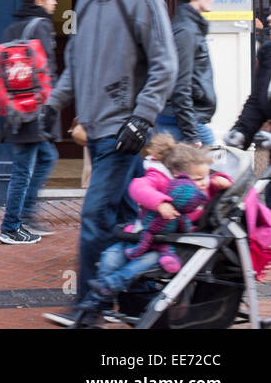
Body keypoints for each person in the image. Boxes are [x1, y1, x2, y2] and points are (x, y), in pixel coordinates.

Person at [40, 0, 177, 308]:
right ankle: (138, 298)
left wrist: (142, 117)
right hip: (96, 130)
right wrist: (51, 104)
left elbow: (165, 66)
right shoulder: (87, 0)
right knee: (128, 219)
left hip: (123, 132)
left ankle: (88, 304)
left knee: (94, 217)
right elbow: (76, 65)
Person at [70, 134, 230, 327]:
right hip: (143, 236)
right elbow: (138, 187)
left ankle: (109, 287)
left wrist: (222, 180)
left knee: (140, 265)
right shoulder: (160, 178)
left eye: (205, 176)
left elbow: (216, 182)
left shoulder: (205, 188)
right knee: (110, 257)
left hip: (171, 246)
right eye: (198, 179)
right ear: (177, 175)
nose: (204, 183)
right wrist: (160, 202)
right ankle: (100, 302)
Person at [0, 0, 60, 245]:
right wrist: (52, 105)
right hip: (33, 109)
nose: (54, 2)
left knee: (46, 157)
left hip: (14, 108)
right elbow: (48, 70)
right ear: (39, 1)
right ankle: (11, 226)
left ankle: (25, 214)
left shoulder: (12, 28)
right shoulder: (41, 26)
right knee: (22, 169)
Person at [158, 0, 217, 147]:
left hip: (182, 122)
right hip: (182, 124)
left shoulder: (189, 27)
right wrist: (192, 135)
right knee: (215, 171)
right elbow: (180, 85)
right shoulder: (186, 31)